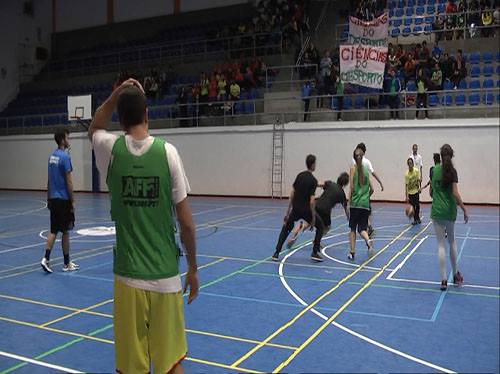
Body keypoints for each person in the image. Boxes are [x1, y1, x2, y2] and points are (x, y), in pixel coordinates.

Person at [88, 78, 199, 374]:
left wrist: (114, 96)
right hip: (165, 277)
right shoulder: (168, 153)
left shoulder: (110, 150)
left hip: (128, 278)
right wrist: (193, 268)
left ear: (121, 120)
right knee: (171, 363)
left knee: (130, 368)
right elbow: (186, 225)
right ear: (147, 114)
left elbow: (95, 128)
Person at [272, 154, 325, 262]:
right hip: (306, 210)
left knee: (286, 227)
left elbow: (292, 194)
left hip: (295, 209)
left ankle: (276, 253)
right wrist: (313, 219)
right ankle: (315, 252)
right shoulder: (313, 181)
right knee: (320, 227)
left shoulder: (299, 176)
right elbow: (311, 201)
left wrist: (287, 212)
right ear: (313, 164)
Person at [431, 144, 468, 291]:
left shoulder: (435, 171)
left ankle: (443, 280)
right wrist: (464, 208)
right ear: (451, 156)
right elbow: (455, 193)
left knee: (440, 245)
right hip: (449, 211)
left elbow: (432, 190)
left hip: (437, 212)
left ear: (440, 156)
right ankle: (455, 274)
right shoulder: (453, 172)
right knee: (451, 242)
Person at [41, 129, 78, 273]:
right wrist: (73, 201)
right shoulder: (65, 157)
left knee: (53, 230)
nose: (69, 139)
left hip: (53, 199)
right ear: (63, 140)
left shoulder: (51, 157)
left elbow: (49, 179)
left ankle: (46, 259)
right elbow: (69, 181)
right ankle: (66, 263)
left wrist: (48, 197)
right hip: (63, 199)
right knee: (66, 231)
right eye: (67, 137)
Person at [287, 172, 350, 247]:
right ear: (345, 184)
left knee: (308, 222)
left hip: (317, 205)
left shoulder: (330, 183)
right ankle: (316, 241)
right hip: (325, 210)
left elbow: (318, 184)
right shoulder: (342, 194)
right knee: (327, 227)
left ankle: (295, 233)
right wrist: (348, 217)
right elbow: (346, 208)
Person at [352, 142, 384, 237]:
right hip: (365, 191)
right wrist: (380, 182)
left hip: (358, 191)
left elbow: (353, 176)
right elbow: (373, 173)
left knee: (358, 213)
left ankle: (365, 227)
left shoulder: (355, 162)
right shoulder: (366, 161)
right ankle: (368, 226)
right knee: (366, 209)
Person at [348, 148, 374, 261]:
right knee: (362, 228)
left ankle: (352, 253)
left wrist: (349, 202)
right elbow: (372, 189)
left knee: (353, 229)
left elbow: (352, 187)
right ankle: (368, 241)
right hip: (365, 204)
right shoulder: (366, 171)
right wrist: (366, 197)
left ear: (354, 157)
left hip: (355, 204)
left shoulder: (353, 169)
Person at [405, 158, 421, 225]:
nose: (410, 164)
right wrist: (406, 196)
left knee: (417, 206)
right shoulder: (407, 174)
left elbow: (418, 180)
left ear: (413, 164)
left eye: (411, 163)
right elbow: (406, 186)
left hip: (416, 191)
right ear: (408, 164)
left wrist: (419, 188)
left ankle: (418, 218)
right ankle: (415, 219)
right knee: (413, 207)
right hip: (410, 192)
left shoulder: (416, 171)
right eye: (409, 163)